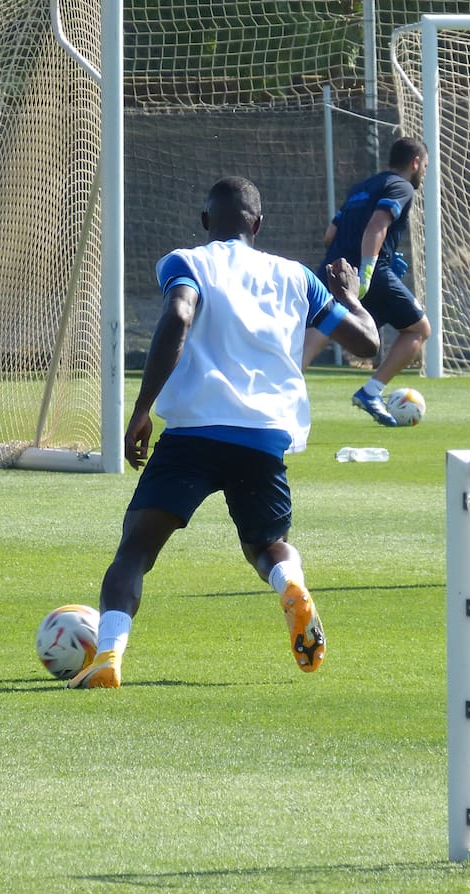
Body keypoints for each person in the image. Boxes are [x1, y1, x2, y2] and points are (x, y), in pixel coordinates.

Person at [67, 177, 380, 689]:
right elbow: (367, 343)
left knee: (135, 551)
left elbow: (179, 313)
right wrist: (350, 296)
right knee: (268, 546)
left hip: (193, 434)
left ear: (206, 221)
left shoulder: (187, 261)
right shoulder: (297, 277)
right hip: (263, 436)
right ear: (259, 224)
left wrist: (142, 409)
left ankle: (107, 655)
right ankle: (292, 585)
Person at [303, 137, 431, 426]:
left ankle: (281, 393)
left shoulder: (360, 188)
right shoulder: (401, 186)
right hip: (365, 272)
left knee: (319, 332)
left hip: (333, 270)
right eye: (425, 166)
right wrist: (368, 271)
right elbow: (376, 226)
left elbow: (329, 236)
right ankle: (371, 392)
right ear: (415, 163)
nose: (424, 172)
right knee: (418, 330)